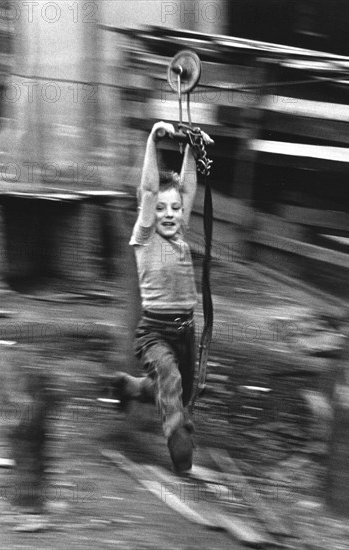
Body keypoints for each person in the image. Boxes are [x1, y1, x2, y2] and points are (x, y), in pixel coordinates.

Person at [114, 121, 213, 473]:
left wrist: (190, 144)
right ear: (149, 212)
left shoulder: (180, 233)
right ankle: (177, 440)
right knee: (169, 378)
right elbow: (149, 189)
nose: (169, 214)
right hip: (154, 331)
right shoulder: (144, 237)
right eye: (161, 208)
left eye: (174, 209)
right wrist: (154, 140)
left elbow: (186, 189)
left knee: (177, 390)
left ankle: (130, 387)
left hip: (184, 331)